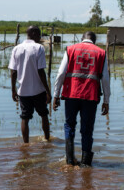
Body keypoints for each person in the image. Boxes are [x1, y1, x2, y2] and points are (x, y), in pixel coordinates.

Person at [52, 31, 110, 167]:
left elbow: (60, 73)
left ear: (82, 39)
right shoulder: (101, 53)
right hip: (90, 96)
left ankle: (70, 160)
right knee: (87, 129)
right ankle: (86, 164)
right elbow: (105, 79)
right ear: (94, 41)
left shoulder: (71, 49)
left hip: (71, 94)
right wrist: (106, 101)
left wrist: (56, 95)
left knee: (69, 125)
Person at [9, 26, 51, 143]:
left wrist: (13, 90)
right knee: (44, 115)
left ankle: (26, 145)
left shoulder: (16, 49)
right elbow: (41, 71)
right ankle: (47, 140)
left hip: (23, 91)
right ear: (33, 34)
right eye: (39, 35)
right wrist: (48, 91)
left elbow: (13, 72)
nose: (40, 38)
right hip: (38, 90)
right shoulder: (39, 48)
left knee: (25, 118)